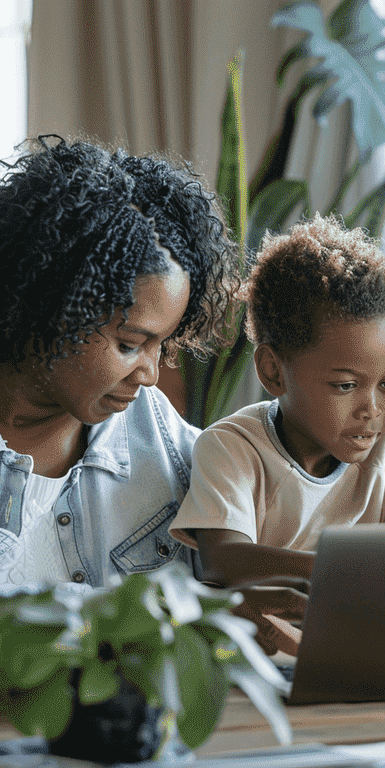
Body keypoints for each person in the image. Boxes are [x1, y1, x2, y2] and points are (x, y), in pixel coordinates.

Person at [0, 136, 306, 644]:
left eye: (162, 346)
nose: (149, 374)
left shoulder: (167, 445)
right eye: (129, 343)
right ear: (50, 304)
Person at [169, 214, 385, 638]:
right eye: (345, 385)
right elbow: (223, 560)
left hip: (365, 651)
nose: (372, 409)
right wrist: (346, 571)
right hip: (265, 663)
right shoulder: (233, 447)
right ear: (273, 372)